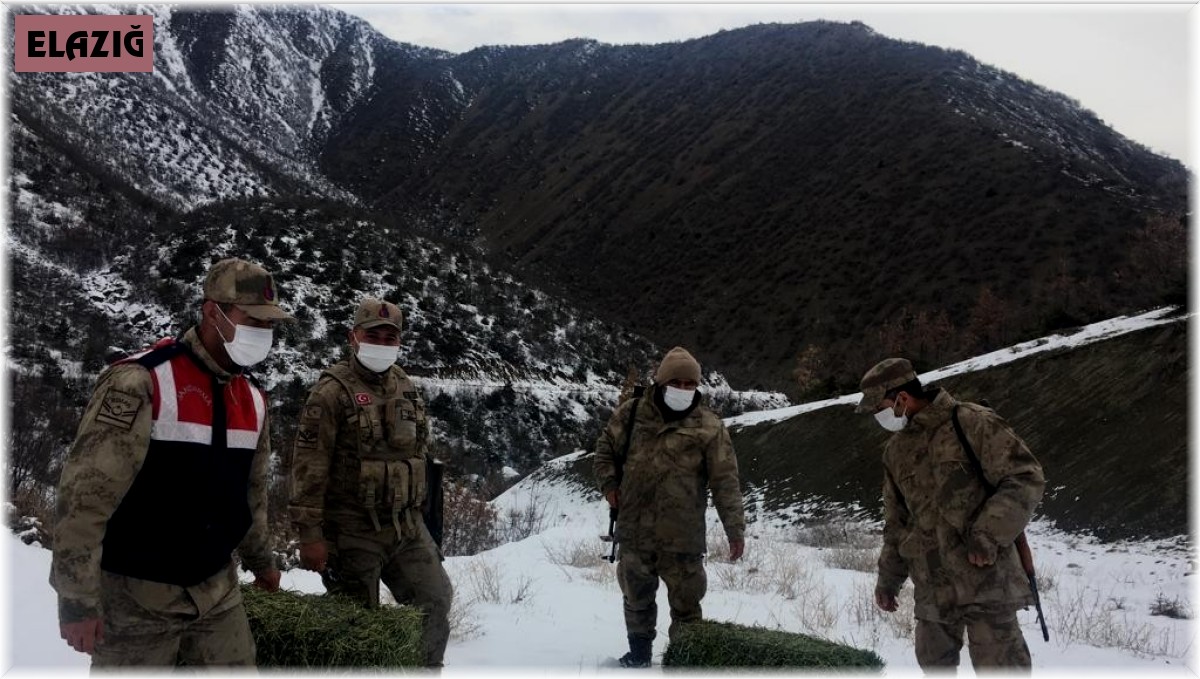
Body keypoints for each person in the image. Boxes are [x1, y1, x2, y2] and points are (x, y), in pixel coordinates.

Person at [51, 257, 288, 666]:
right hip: (136, 599)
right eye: (252, 319)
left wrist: (261, 562)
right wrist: (77, 601)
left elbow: (250, 494)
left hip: (216, 593)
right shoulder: (142, 381)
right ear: (212, 312)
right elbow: (86, 495)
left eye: (269, 324)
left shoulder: (252, 400)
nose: (263, 333)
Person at [288, 297, 452, 668]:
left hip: (407, 527)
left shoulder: (405, 385)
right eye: (372, 335)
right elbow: (308, 466)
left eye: (389, 337)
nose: (381, 343)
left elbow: (420, 453)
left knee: (436, 599)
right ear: (353, 336)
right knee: (357, 625)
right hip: (352, 530)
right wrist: (310, 535)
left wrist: (427, 517)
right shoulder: (331, 391)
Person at [856, 357, 1045, 673]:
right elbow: (897, 522)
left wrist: (987, 534)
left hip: (985, 580)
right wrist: (888, 581)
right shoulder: (895, 451)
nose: (878, 416)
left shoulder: (971, 422)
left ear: (902, 398)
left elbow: (1025, 477)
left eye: (880, 408)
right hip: (933, 590)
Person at [593, 346, 745, 668]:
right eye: (677, 382)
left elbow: (725, 482)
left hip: (683, 537)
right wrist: (610, 487)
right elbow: (604, 451)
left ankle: (683, 663)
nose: (684, 390)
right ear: (661, 383)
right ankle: (639, 656)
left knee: (687, 607)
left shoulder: (709, 426)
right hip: (635, 530)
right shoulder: (631, 414)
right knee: (636, 600)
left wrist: (735, 529)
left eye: (691, 384)